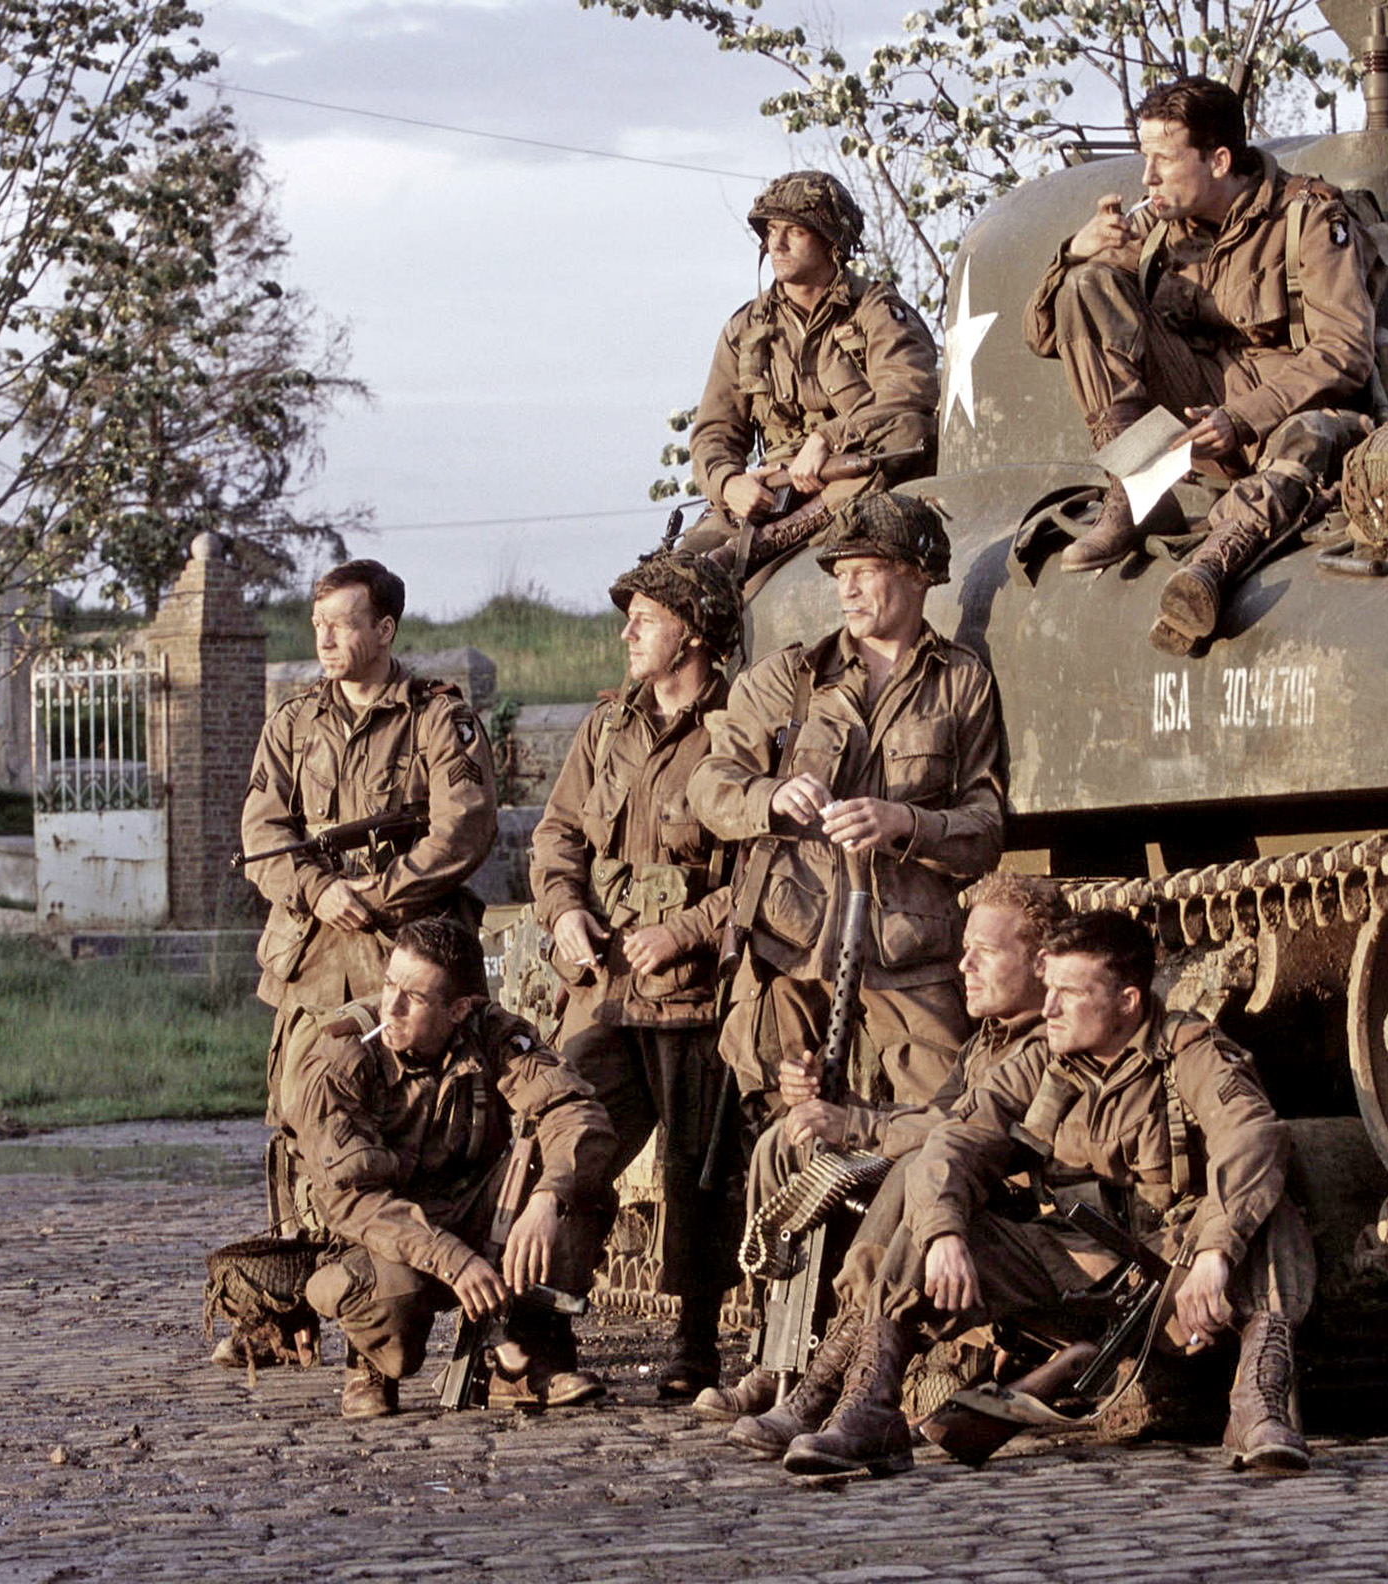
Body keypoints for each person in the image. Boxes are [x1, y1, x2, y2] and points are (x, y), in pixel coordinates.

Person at [771, 909, 1317, 1479]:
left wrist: (1213, 1254)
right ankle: (872, 1409)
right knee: (925, 1190)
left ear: (1128, 1001)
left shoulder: (1189, 1051)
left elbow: (1251, 1134)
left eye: (1068, 993)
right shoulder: (1042, 1060)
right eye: (1048, 988)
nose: (1048, 1007)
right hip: (1061, 1267)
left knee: (1268, 1208)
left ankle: (1258, 1404)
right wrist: (944, 1234)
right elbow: (955, 1141)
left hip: (1165, 1277)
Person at [684, 490, 1008, 1416]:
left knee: (924, 1134)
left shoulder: (961, 684)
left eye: (870, 572)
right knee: (792, 1147)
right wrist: (768, 798)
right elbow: (714, 781)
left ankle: (900, 1356)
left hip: (907, 955)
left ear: (918, 577)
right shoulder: (792, 676)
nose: (852, 589)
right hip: (798, 950)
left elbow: (986, 826)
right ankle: (777, 1360)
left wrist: (905, 820)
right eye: (843, 574)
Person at [1025, 75, 1385, 652]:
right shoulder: (1155, 225)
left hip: (1282, 415)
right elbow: (1046, 335)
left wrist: (1241, 417)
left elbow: (1344, 349)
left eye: (1163, 160)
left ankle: (1218, 558)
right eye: (1145, 159)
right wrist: (1073, 253)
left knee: (1311, 436)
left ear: (1218, 160)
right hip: (1192, 416)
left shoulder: (1308, 217)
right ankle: (1137, 488)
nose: (1147, 178)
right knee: (1086, 287)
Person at [719, 871, 1065, 1454]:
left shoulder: (1047, 1047)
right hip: (995, 1218)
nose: (964, 968)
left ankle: (842, 1392)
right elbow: (940, 1113)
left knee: (918, 1171)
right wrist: (848, 1108)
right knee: (802, 1143)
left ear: (1042, 965)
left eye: (984, 953)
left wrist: (858, 1125)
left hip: (1040, 1235)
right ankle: (824, 1381)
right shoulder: (991, 1039)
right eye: (964, 951)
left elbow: (961, 1134)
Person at [526, 547, 746, 1399]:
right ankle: (541, 1329)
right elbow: (556, 837)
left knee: (700, 1177)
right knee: (565, 1149)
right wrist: (564, 911)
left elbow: (769, 867)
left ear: (691, 633)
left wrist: (688, 929)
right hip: (605, 998)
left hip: (694, 1003)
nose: (627, 632)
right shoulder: (607, 729)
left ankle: (694, 1343)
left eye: (644, 618)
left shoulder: (741, 731)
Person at [278, 917, 617, 1419]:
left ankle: (525, 1357)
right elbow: (351, 1197)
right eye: (389, 983)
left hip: (464, 1206)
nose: (389, 1007)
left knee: (577, 1188)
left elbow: (576, 1112)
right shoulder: (344, 1055)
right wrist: (450, 1258)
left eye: (411, 997)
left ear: (459, 1009)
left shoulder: (490, 1032)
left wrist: (548, 1198)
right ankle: (368, 1363)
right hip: (376, 1229)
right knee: (396, 1293)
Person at [240, 559, 499, 1122]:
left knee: (415, 1121)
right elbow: (262, 834)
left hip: (406, 965)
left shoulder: (437, 718)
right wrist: (317, 890)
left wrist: (374, 896)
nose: (325, 639)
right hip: (312, 967)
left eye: (342, 624)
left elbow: (464, 830)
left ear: (384, 629)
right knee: (302, 1120)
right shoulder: (293, 723)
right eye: (317, 624)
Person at [683, 171, 941, 576]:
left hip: (853, 468)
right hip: (774, 491)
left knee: (910, 433)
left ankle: (767, 544)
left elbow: (910, 388)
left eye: (795, 231)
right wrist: (729, 483)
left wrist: (828, 438)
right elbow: (713, 433)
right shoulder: (746, 328)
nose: (777, 244)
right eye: (771, 231)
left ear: (830, 241)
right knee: (674, 574)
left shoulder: (875, 310)